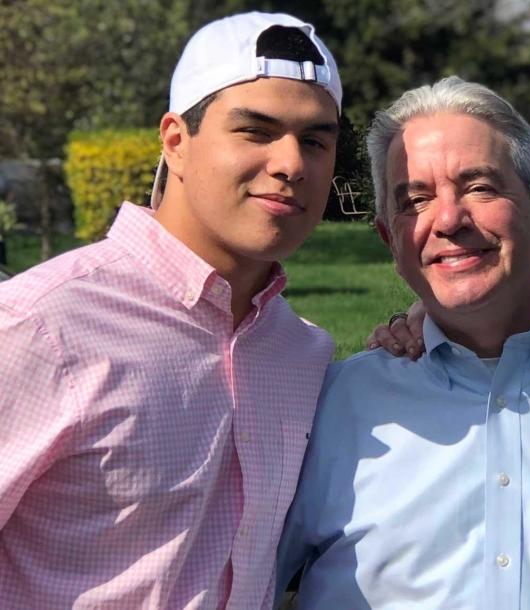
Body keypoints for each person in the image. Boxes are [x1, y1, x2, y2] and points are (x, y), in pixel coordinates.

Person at [276, 76, 530, 609]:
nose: (447, 219)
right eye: (416, 199)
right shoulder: (329, 410)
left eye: (479, 187)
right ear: (390, 241)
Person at [0, 12, 341, 608]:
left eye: (314, 140)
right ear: (177, 143)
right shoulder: (42, 325)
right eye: (256, 131)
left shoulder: (303, 354)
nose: (291, 164)